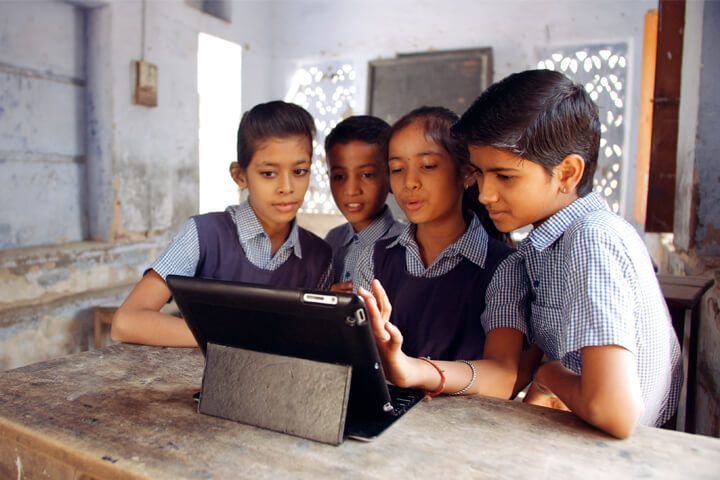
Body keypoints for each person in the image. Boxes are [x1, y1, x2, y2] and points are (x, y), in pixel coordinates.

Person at [450, 69, 679, 438]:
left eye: (505, 176)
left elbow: (614, 413)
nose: (485, 193)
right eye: (479, 173)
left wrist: (549, 374)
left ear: (568, 173)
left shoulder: (593, 240)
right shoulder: (542, 247)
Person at [112, 100, 332, 347]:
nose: (287, 188)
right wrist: (233, 336)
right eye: (269, 173)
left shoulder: (319, 257)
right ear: (240, 176)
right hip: (205, 382)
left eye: (300, 171)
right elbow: (126, 322)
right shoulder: (203, 236)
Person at [355, 106, 528, 400]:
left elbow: (503, 377)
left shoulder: (503, 267)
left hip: (461, 433)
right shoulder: (373, 258)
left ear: (466, 173)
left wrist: (411, 370)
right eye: (397, 169)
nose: (410, 182)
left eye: (428, 166)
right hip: (383, 425)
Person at [324, 115, 402, 293]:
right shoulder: (331, 241)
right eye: (339, 177)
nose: (351, 190)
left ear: (391, 177)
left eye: (367, 175)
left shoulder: (408, 245)